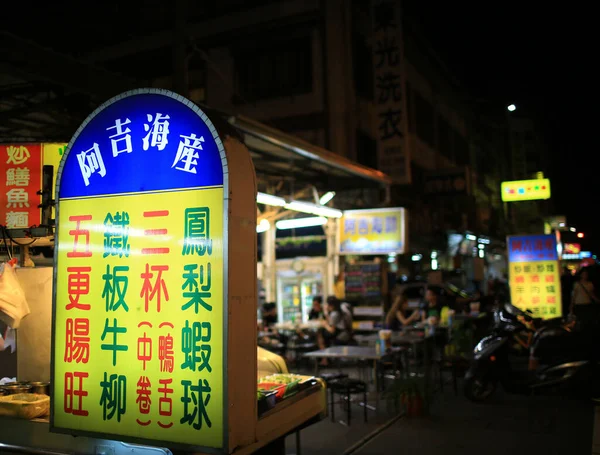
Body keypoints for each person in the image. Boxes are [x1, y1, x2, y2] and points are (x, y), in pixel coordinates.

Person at [316, 296, 352, 365]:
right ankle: (325, 358)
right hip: (344, 333)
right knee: (322, 335)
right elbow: (330, 322)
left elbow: (332, 330)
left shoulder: (334, 314)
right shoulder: (340, 310)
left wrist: (325, 325)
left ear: (331, 305)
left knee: (320, 337)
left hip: (340, 335)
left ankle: (325, 359)